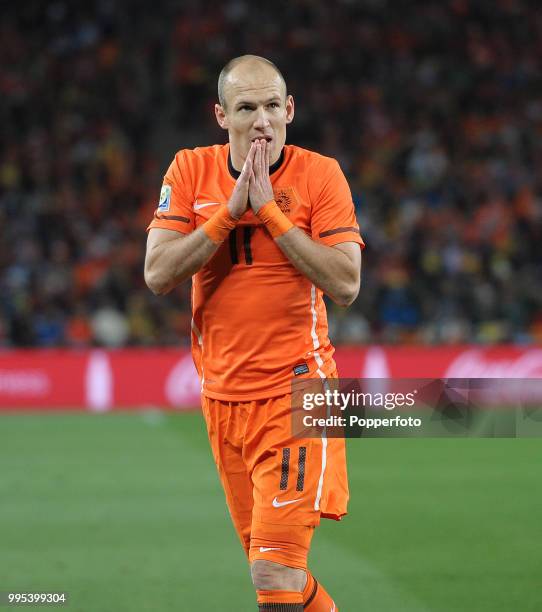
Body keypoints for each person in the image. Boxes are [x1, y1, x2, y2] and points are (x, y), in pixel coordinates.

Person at [145, 54, 364, 611]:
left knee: (275, 573)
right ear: (221, 115)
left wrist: (271, 213)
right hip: (222, 401)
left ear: (290, 109)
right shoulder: (190, 170)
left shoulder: (320, 175)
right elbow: (157, 273)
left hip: (296, 395)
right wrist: (227, 215)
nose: (262, 120)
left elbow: (346, 283)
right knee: (275, 581)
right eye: (247, 107)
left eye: (272, 106)